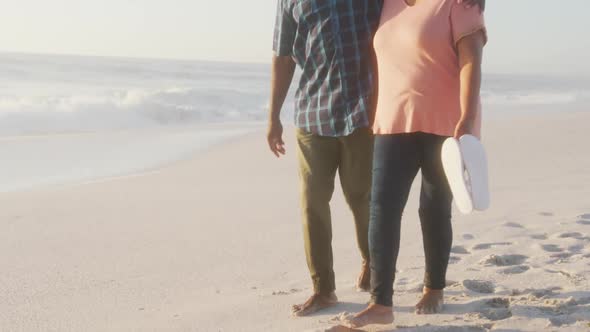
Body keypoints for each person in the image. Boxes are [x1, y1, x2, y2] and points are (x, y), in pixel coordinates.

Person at [267, 0, 485, 318]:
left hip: (401, 117)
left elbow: (461, 49)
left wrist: (466, 118)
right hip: (351, 117)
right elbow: (283, 54)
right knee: (347, 207)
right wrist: (273, 115)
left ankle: (408, 278)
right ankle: (351, 296)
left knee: (399, 204)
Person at [349, 0, 487, 327]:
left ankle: (434, 286)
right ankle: (381, 303)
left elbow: (471, 60)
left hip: (446, 122)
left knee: (434, 207)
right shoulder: (387, 4)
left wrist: (467, 118)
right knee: (381, 206)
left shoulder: (457, 3)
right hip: (393, 120)